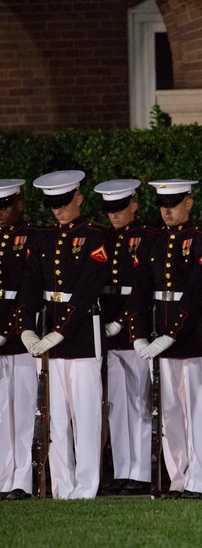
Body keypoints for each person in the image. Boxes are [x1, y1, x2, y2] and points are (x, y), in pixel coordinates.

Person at [21, 170, 111, 499]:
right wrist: (26, 327)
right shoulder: (43, 237)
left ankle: (86, 486)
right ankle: (62, 485)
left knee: (85, 414)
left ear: (79, 198)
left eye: (63, 203)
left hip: (82, 335)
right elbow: (31, 285)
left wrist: (60, 332)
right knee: (55, 415)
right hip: (48, 332)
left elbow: (88, 289)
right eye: (52, 205)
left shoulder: (95, 235)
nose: (58, 211)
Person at [130, 179, 202, 499]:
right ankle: (177, 478)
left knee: (192, 409)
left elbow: (196, 293)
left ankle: (197, 480)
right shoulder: (151, 243)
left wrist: (171, 334)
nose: (167, 210)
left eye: (175, 203)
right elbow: (138, 292)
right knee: (168, 411)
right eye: (163, 204)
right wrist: (139, 334)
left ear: (189, 203)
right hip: (158, 334)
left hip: (190, 335)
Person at [93, 179, 153, 495]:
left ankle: (141, 472)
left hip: (134, 328)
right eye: (109, 210)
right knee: (117, 403)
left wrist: (122, 321)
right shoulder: (104, 238)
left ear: (134, 204)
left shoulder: (147, 238)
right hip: (108, 329)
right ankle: (122, 469)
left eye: (119, 208)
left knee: (139, 401)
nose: (114, 216)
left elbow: (143, 290)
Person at [0, 179, 37, 500]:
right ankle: (2, 478)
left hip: (20, 334)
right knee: (1, 411)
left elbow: (30, 288)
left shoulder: (32, 237)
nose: (1, 213)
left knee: (23, 410)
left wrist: (11, 328)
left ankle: (21, 480)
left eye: (5, 205)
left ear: (18, 204)